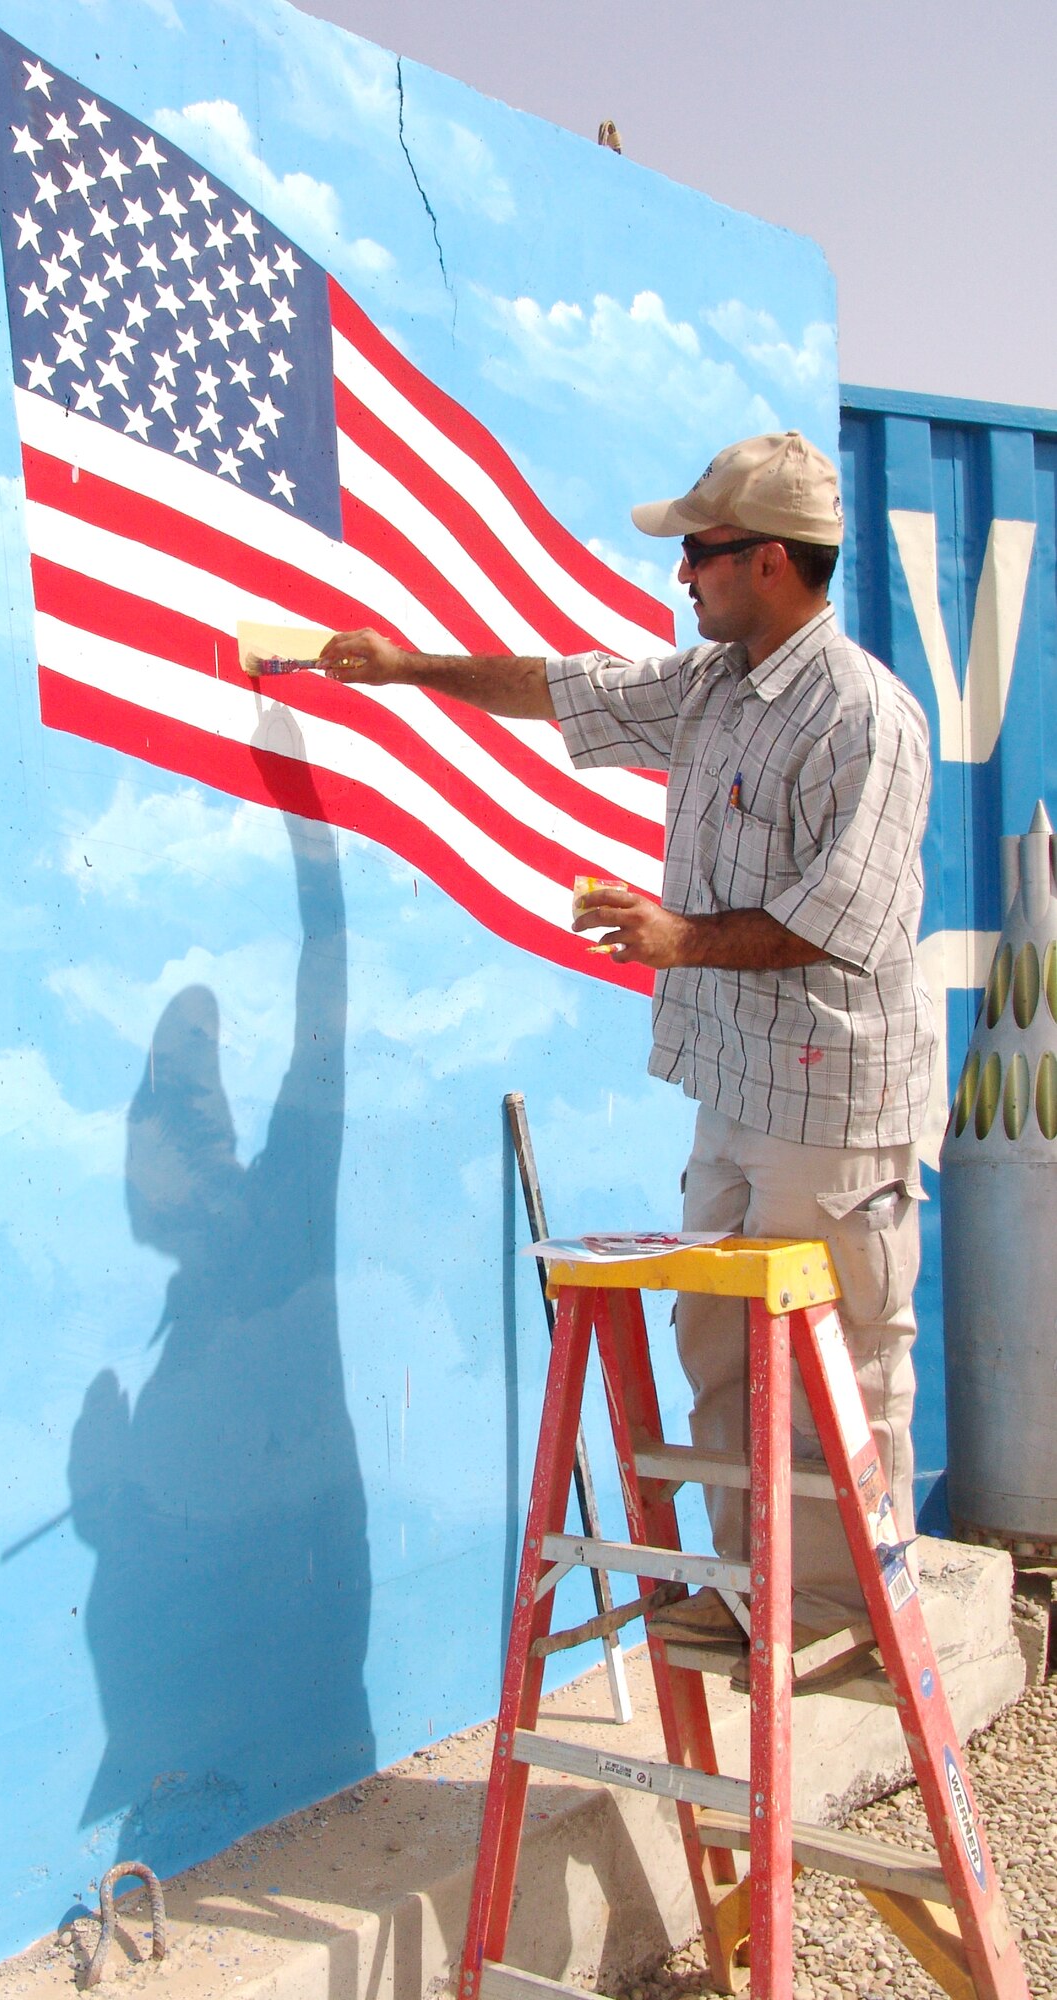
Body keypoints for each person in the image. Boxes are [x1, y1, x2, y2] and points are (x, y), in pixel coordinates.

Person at [317, 430, 935, 1650]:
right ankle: (750, 1585)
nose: (681, 575)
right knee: (716, 1342)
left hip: (832, 1105)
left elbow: (841, 923)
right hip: (734, 1084)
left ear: (765, 560)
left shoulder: (862, 713)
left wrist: (677, 936)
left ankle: (847, 1609)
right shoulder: (715, 685)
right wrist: (407, 669)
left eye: (697, 553)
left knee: (842, 1367)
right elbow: (562, 684)